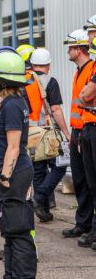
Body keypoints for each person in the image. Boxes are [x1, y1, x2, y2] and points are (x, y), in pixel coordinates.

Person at [0, 50, 37, 279]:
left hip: (14, 174)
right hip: (9, 174)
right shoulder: (10, 102)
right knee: (9, 229)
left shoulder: (13, 105)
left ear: (3, 80)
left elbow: (14, 146)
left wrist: (4, 177)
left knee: (18, 229)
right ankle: (11, 278)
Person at [27, 49, 70, 222]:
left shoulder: (25, 80)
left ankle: (43, 210)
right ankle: (41, 196)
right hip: (47, 132)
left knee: (38, 170)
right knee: (59, 166)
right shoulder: (50, 81)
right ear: (48, 65)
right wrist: (66, 132)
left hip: (30, 132)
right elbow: (55, 109)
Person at [61, 29, 95, 239]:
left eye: (71, 48)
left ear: (79, 49)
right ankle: (82, 223)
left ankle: (90, 226)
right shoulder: (79, 71)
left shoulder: (91, 70)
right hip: (78, 131)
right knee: (80, 180)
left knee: (91, 182)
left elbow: (86, 99)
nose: (68, 52)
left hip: (87, 129)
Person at [77, 36, 96, 249]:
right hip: (87, 127)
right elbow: (84, 96)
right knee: (91, 184)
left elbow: (86, 94)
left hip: (93, 128)